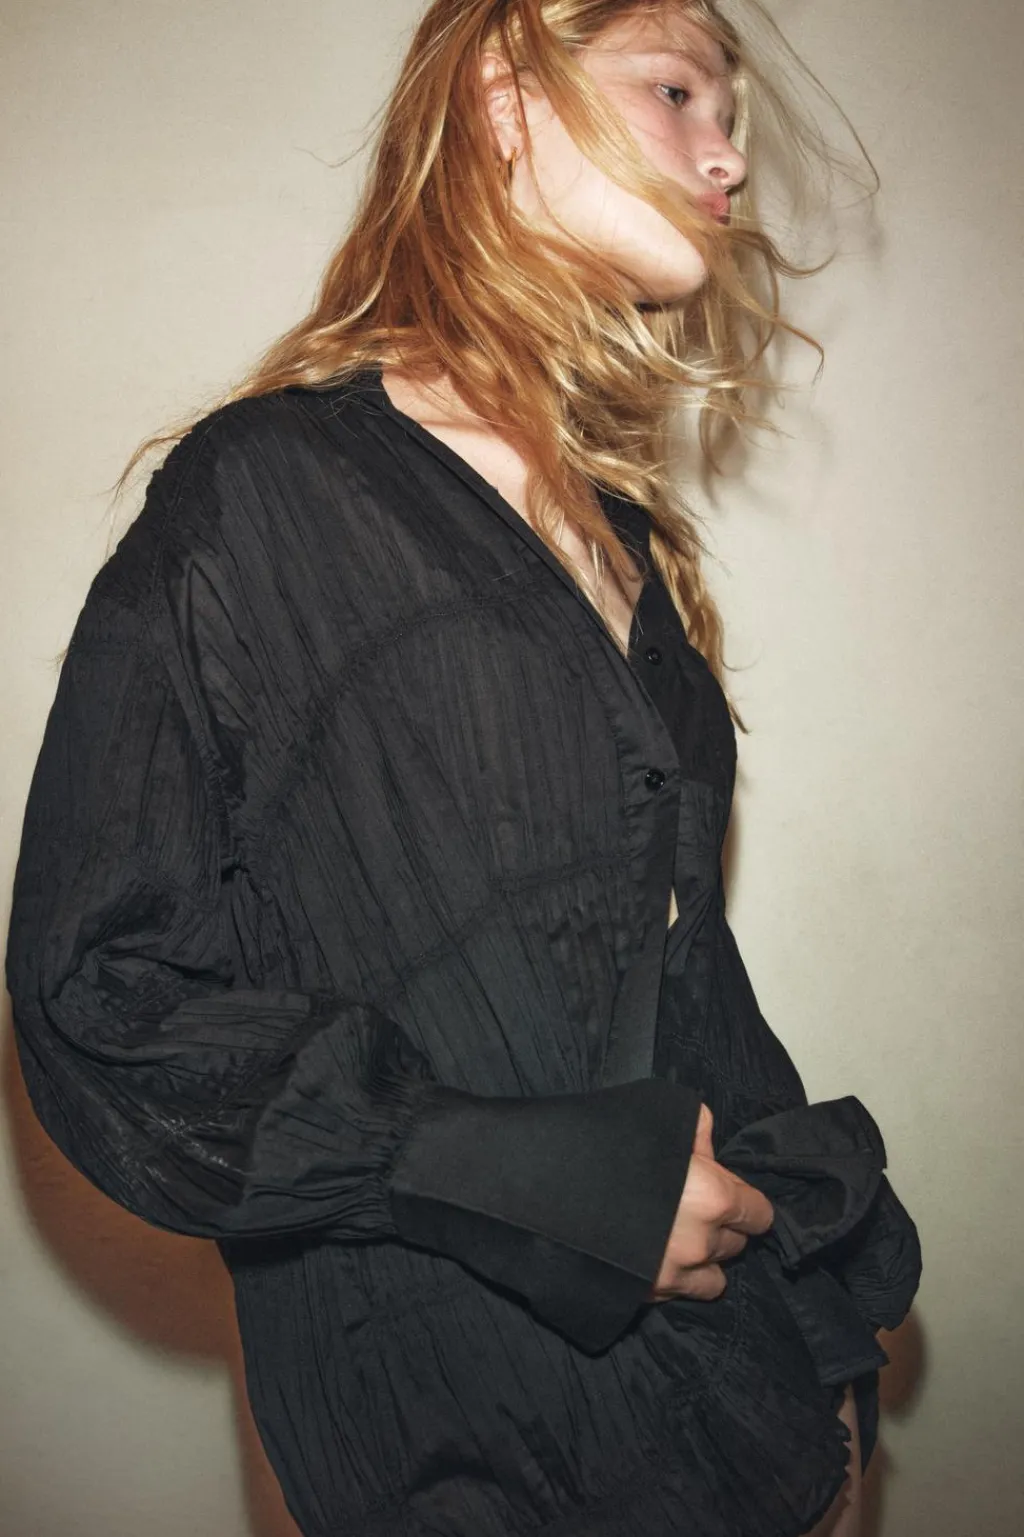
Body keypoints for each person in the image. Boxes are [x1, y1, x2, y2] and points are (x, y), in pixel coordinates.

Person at [5, 3, 922, 1535]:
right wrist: (500, 1169)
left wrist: (831, 1349)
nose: (728, 157)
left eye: (735, 116)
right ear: (505, 100)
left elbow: (679, 984)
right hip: (473, 1459)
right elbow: (97, 992)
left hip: (760, 1425)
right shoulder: (268, 496)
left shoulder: (629, 544)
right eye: (679, 88)